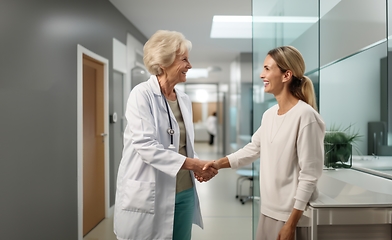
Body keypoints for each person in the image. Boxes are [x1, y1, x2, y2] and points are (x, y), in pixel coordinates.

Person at [202, 46, 325, 240]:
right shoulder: (269, 115)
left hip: (291, 215)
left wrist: (291, 223)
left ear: (286, 75)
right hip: (267, 209)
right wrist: (218, 164)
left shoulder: (306, 116)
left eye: (267, 68)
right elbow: (253, 149)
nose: (261, 75)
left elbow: (309, 175)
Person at [113, 30, 218, 240]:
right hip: (151, 190)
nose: (190, 65)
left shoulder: (184, 99)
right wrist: (193, 164)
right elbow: (146, 146)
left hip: (184, 189)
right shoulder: (141, 94)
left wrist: (198, 166)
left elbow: (185, 145)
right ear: (163, 63)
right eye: (184, 59)